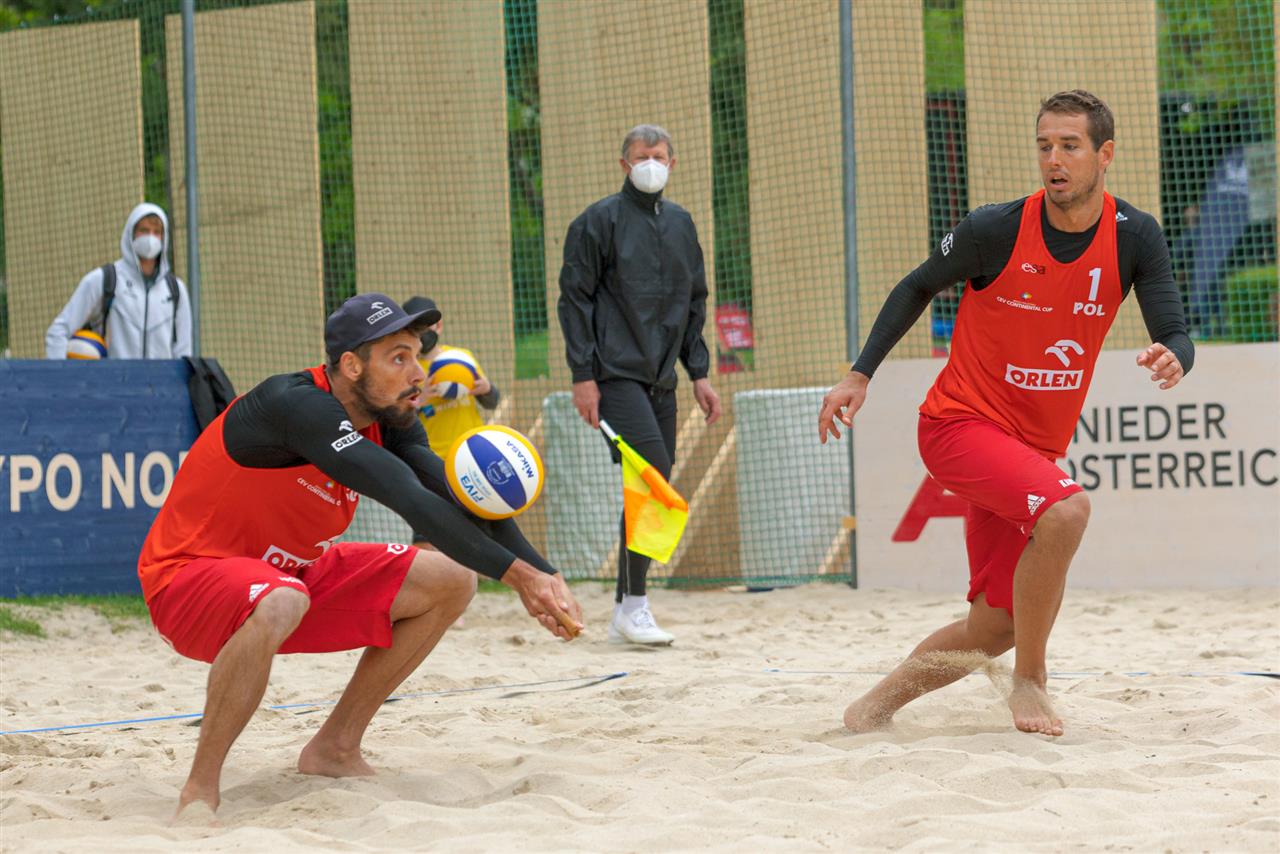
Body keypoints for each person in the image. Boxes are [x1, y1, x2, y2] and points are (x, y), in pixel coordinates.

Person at [818, 90, 1194, 736]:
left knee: (997, 624)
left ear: (1105, 154)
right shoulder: (994, 229)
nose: (1054, 158)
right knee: (1068, 509)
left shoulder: (1135, 237)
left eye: (1070, 146)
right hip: (958, 426)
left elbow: (1175, 329)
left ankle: (871, 710)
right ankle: (1032, 682)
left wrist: (1175, 357)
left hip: (1028, 451)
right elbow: (915, 286)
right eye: (1045, 145)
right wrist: (859, 374)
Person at [137, 293, 583, 819]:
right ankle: (200, 789)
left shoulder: (391, 417)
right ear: (351, 365)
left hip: (291, 581)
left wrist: (545, 575)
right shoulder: (297, 404)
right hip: (189, 580)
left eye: (417, 355)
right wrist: (519, 579)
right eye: (399, 357)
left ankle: (335, 747)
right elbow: (408, 497)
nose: (418, 371)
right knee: (281, 600)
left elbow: (452, 494)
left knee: (452, 580)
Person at [557, 123, 722, 646]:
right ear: (624, 164)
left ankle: (629, 607)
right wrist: (584, 376)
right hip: (612, 375)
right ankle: (635, 606)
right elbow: (574, 300)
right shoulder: (596, 222)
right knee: (653, 475)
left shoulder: (681, 224)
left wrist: (699, 372)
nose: (650, 163)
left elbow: (695, 302)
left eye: (659, 155)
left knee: (654, 483)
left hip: (662, 377)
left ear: (673, 163)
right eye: (640, 155)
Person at [46, 202, 192, 359]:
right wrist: (63, 379)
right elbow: (58, 331)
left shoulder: (176, 289)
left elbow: (183, 351)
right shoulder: (105, 280)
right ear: (131, 233)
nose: (150, 237)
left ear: (164, 238)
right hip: (113, 382)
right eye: (144, 231)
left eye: (157, 232)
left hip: (161, 383)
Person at [402, 296, 501, 459]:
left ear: (438, 326)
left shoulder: (462, 358)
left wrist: (487, 389)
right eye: (416, 329)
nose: (422, 334)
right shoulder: (407, 370)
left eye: (427, 327)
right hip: (434, 457)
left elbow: (492, 403)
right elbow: (400, 423)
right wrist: (420, 400)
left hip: (472, 451)